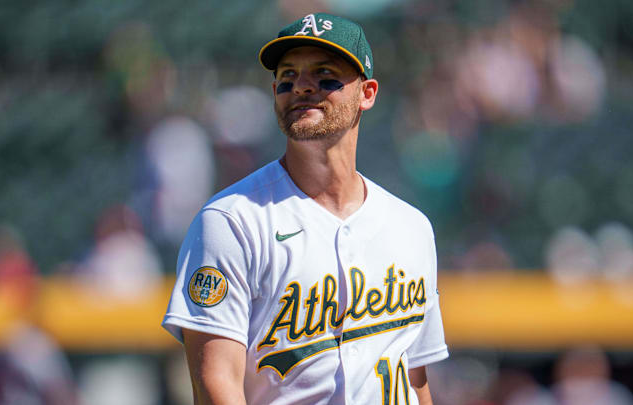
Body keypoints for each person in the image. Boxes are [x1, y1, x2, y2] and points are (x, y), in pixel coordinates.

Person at [162, 13, 449, 405]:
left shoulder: (411, 227)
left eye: (324, 74)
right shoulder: (232, 221)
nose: (302, 86)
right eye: (288, 76)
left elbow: (414, 379)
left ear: (367, 93)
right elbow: (217, 386)